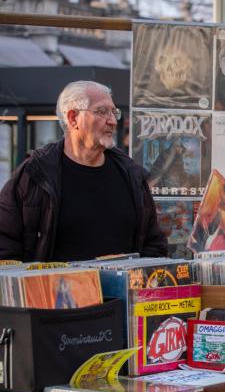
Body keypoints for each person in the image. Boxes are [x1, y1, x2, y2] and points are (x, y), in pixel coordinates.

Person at [0, 80, 167, 262]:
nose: (112, 121)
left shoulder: (131, 175)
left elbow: (154, 246)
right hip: (54, 282)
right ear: (73, 118)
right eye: (101, 112)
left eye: (114, 112)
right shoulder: (35, 174)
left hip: (122, 282)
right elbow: (5, 246)